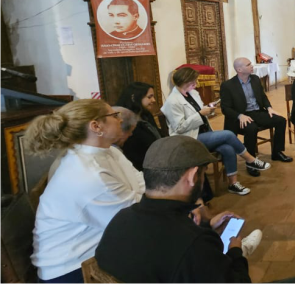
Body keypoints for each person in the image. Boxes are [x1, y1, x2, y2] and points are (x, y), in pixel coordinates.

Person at [96, 136, 258, 282]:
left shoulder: (121, 218)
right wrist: (235, 252)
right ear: (192, 176)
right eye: (203, 174)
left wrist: (205, 228)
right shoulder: (194, 244)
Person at [28, 100, 145, 282]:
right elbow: (134, 219)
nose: (120, 119)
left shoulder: (110, 152)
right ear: (96, 126)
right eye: (114, 116)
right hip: (70, 268)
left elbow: (139, 180)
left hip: (99, 249)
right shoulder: (88, 173)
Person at [161, 67, 267, 196]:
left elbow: (199, 113)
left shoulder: (193, 93)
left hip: (203, 133)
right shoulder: (172, 101)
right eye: (193, 81)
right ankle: (250, 159)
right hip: (188, 138)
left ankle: (233, 184)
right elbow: (179, 128)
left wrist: (208, 109)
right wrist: (200, 114)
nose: (196, 84)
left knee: (228, 148)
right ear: (184, 81)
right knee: (228, 134)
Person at [221, 57, 292, 163]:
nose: (252, 66)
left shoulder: (255, 79)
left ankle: (277, 152)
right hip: (241, 116)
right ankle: (251, 160)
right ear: (239, 69)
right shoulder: (228, 85)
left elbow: (262, 96)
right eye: (248, 64)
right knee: (251, 128)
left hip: (257, 112)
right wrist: (240, 116)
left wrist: (269, 108)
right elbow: (225, 108)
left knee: (280, 120)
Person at [115, 81, 164, 171]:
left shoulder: (146, 114)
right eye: (149, 97)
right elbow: (133, 152)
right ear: (134, 98)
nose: (153, 100)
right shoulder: (125, 119)